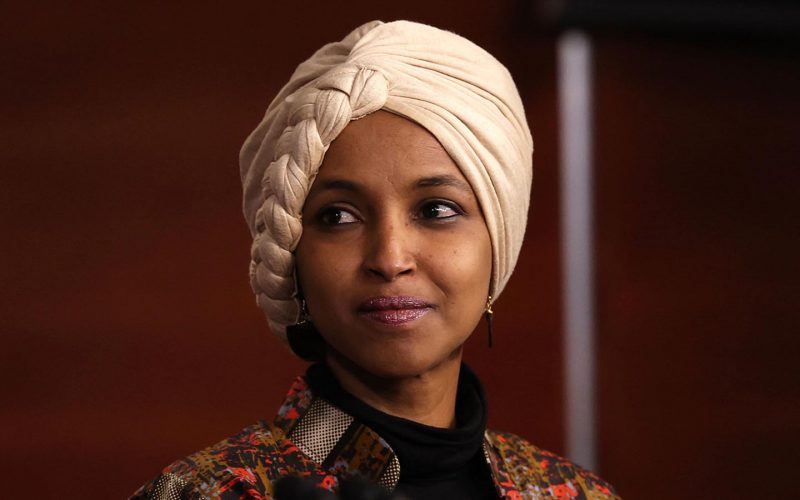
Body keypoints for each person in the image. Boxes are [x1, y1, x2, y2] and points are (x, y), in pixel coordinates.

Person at [131, 20, 619, 500]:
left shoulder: (574, 494)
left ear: (499, 243)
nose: (389, 258)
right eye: (338, 216)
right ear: (292, 257)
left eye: (436, 210)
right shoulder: (204, 493)